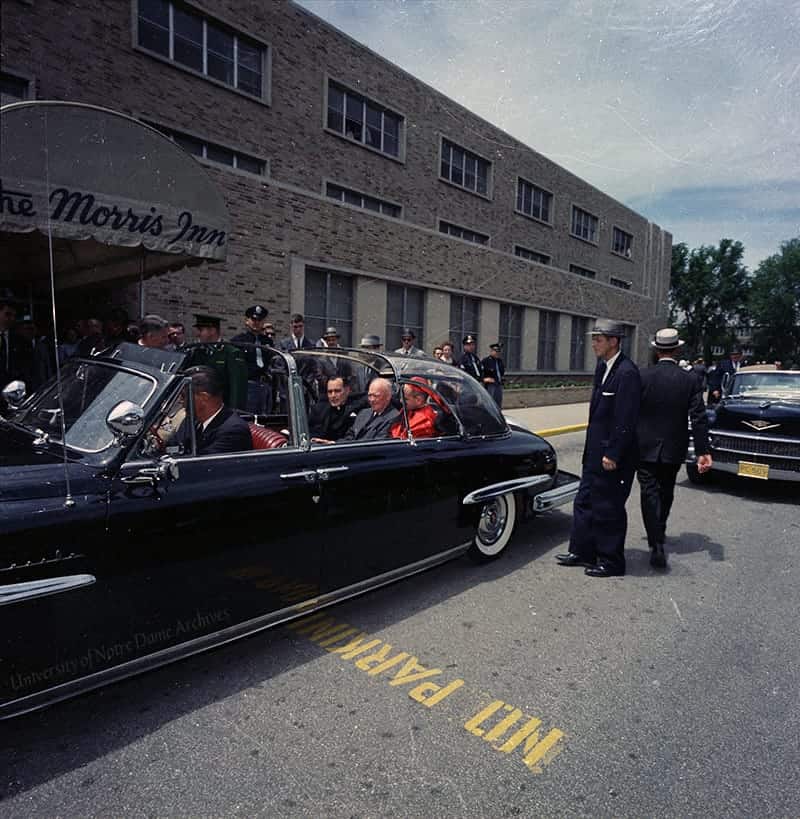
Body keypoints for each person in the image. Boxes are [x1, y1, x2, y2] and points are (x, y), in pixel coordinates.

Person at [556, 319, 641, 578]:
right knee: (584, 501)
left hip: (612, 456)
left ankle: (611, 561)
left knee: (608, 507)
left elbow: (625, 419)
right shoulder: (602, 367)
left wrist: (613, 453)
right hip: (594, 452)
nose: (593, 344)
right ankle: (582, 551)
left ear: (614, 341)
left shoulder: (627, 372)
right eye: (593, 338)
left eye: (599, 339)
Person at [636, 329, 713, 569]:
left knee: (648, 492)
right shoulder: (690, 379)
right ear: (677, 349)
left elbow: (631, 411)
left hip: (644, 445)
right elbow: (698, 417)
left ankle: (655, 541)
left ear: (656, 350)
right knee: (666, 490)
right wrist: (703, 450)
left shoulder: (643, 376)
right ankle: (660, 529)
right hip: (674, 444)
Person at [180, 366, 252, 456]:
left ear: (204, 397)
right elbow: (173, 445)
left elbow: (202, 465)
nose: (180, 401)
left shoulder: (233, 431)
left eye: (183, 396)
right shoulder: (191, 420)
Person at [185, 314, 249, 410]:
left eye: (201, 330)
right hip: (200, 407)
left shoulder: (231, 353)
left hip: (221, 409)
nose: (197, 334)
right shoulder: (197, 352)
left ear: (212, 331)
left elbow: (237, 388)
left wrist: (235, 412)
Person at [231, 305, 273, 414]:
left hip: (265, 385)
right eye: (253, 319)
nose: (256, 322)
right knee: (249, 418)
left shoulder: (267, 342)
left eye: (259, 320)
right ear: (247, 321)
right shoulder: (238, 341)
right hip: (248, 385)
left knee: (266, 419)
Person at [309, 376, 358, 443]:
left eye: (337, 391)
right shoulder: (319, 411)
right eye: (330, 392)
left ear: (347, 390)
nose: (333, 395)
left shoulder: (357, 409)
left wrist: (333, 443)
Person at [481, 342, 505, 407]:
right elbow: (481, 374)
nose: (498, 353)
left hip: (498, 384)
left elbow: (501, 372)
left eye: (499, 351)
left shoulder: (500, 361)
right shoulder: (486, 361)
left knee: (498, 403)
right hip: (490, 385)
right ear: (491, 351)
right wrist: (484, 379)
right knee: (490, 403)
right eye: (496, 351)